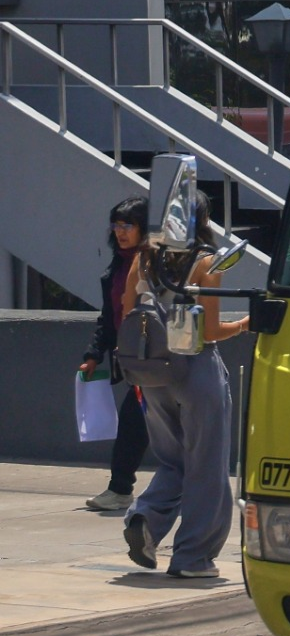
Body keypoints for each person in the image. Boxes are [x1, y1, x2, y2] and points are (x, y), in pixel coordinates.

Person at [122, 195, 252, 580]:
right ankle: (194, 557)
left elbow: (130, 311)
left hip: (152, 371)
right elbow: (210, 331)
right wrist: (244, 324)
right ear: (202, 218)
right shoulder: (205, 261)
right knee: (207, 465)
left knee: (173, 460)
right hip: (195, 369)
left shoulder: (144, 259)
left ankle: (146, 517)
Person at [76, 197, 158, 513]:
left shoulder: (155, 262)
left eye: (129, 225)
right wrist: (94, 354)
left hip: (156, 358)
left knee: (137, 423)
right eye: (117, 225)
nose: (121, 232)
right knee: (142, 425)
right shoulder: (117, 267)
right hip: (131, 360)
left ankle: (121, 489)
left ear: (144, 228)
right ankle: (122, 489)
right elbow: (109, 317)